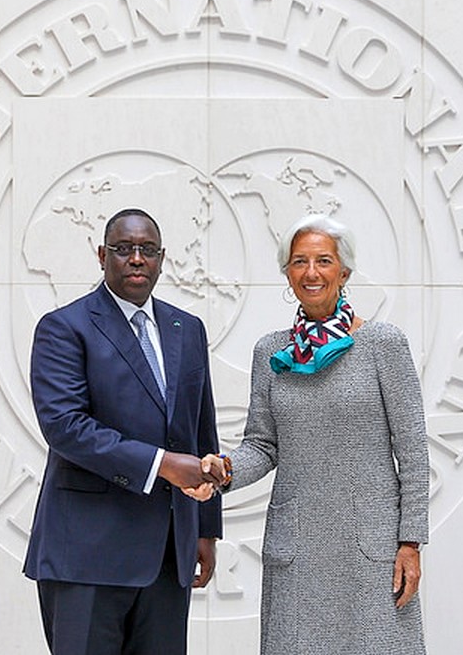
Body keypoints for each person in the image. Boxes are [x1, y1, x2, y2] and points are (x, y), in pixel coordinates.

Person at [189, 213, 429, 655]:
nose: (312, 272)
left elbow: (413, 452)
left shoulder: (382, 344)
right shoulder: (270, 352)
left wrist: (410, 542)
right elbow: (262, 445)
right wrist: (223, 470)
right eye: (300, 262)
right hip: (297, 550)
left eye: (323, 260)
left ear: (345, 272)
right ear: (287, 273)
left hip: (370, 550)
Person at [23, 208, 223, 655]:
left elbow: (200, 432)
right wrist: (163, 465)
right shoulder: (64, 328)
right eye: (124, 249)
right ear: (102, 255)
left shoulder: (187, 329)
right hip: (86, 558)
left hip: (169, 557)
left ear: (162, 258)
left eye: (147, 250)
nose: (137, 259)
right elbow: (65, 427)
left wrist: (205, 530)